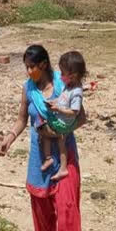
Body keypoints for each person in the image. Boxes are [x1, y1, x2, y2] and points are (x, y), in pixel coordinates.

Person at [0, 44, 86, 231]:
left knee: (67, 211)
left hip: (65, 154)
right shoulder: (28, 89)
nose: (28, 72)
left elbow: (82, 117)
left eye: (31, 67)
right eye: (26, 67)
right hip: (39, 155)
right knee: (42, 208)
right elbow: (22, 119)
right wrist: (8, 140)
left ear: (43, 65)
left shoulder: (64, 83)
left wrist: (60, 131)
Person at [37, 51, 87, 181]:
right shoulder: (69, 86)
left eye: (63, 73)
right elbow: (63, 99)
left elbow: (74, 111)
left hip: (64, 123)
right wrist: (55, 102)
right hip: (61, 118)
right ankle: (50, 159)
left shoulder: (76, 92)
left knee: (43, 130)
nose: (61, 76)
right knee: (57, 140)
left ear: (73, 75)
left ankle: (57, 164)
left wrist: (58, 109)